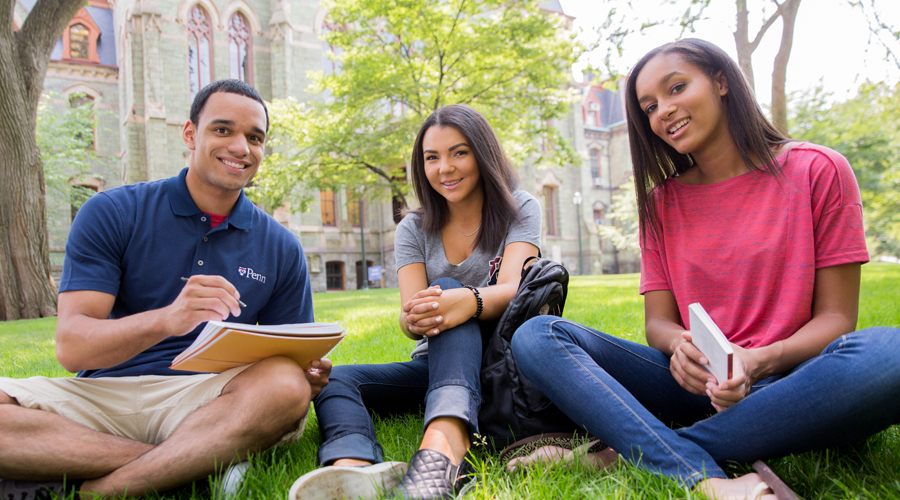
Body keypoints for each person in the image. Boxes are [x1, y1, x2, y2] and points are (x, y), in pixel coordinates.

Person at [509, 38, 900, 499]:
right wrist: (680, 347)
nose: (664, 111)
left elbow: (837, 320)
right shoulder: (661, 203)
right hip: (692, 387)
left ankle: (623, 453)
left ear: (720, 81)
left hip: (796, 381)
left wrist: (755, 362)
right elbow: (658, 322)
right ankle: (700, 471)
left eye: (677, 88)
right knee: (537, 335)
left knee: (891, 352)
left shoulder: (818, 169)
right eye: (650, 106)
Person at [0, 79, 331, 499]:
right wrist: (167, 319)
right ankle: (192, 464)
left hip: (211, 401)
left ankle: (94, 491)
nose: (241, 148)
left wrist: (309, 375)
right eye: (223, 130)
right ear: (191, 134)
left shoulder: (281, 246)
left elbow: (291, 355)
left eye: (255, 137)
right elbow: (72, 348)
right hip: (103, 395)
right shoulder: (113, 211)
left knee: (284, 385)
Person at [290, 104, 542, 500]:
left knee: (442, 287)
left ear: (483, 153)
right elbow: (409, 321)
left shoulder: (518, 207)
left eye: (459, 152)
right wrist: (416, 317)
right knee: (336, 378)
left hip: (498, 365)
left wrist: (467, 301)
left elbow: (514, 287)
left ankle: (446, 445)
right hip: (435, 364)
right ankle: (353, 464)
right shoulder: (412, 227)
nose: (445, 167)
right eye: (432, 157)